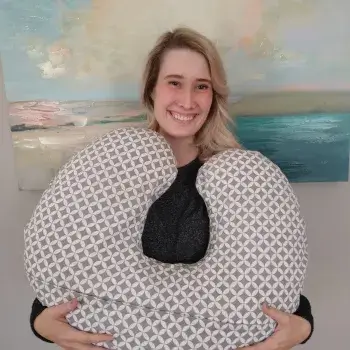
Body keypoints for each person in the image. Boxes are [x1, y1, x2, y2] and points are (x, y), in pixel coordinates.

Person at [29, 26, 314, 350]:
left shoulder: (238, 183)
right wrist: (41, 322)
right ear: (152, 90)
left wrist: (302, 327)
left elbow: (267, 279)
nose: (188, 100)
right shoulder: (114, 173)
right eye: (174, 82)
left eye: (201, 86)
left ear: (214, 95)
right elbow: (73, 268)